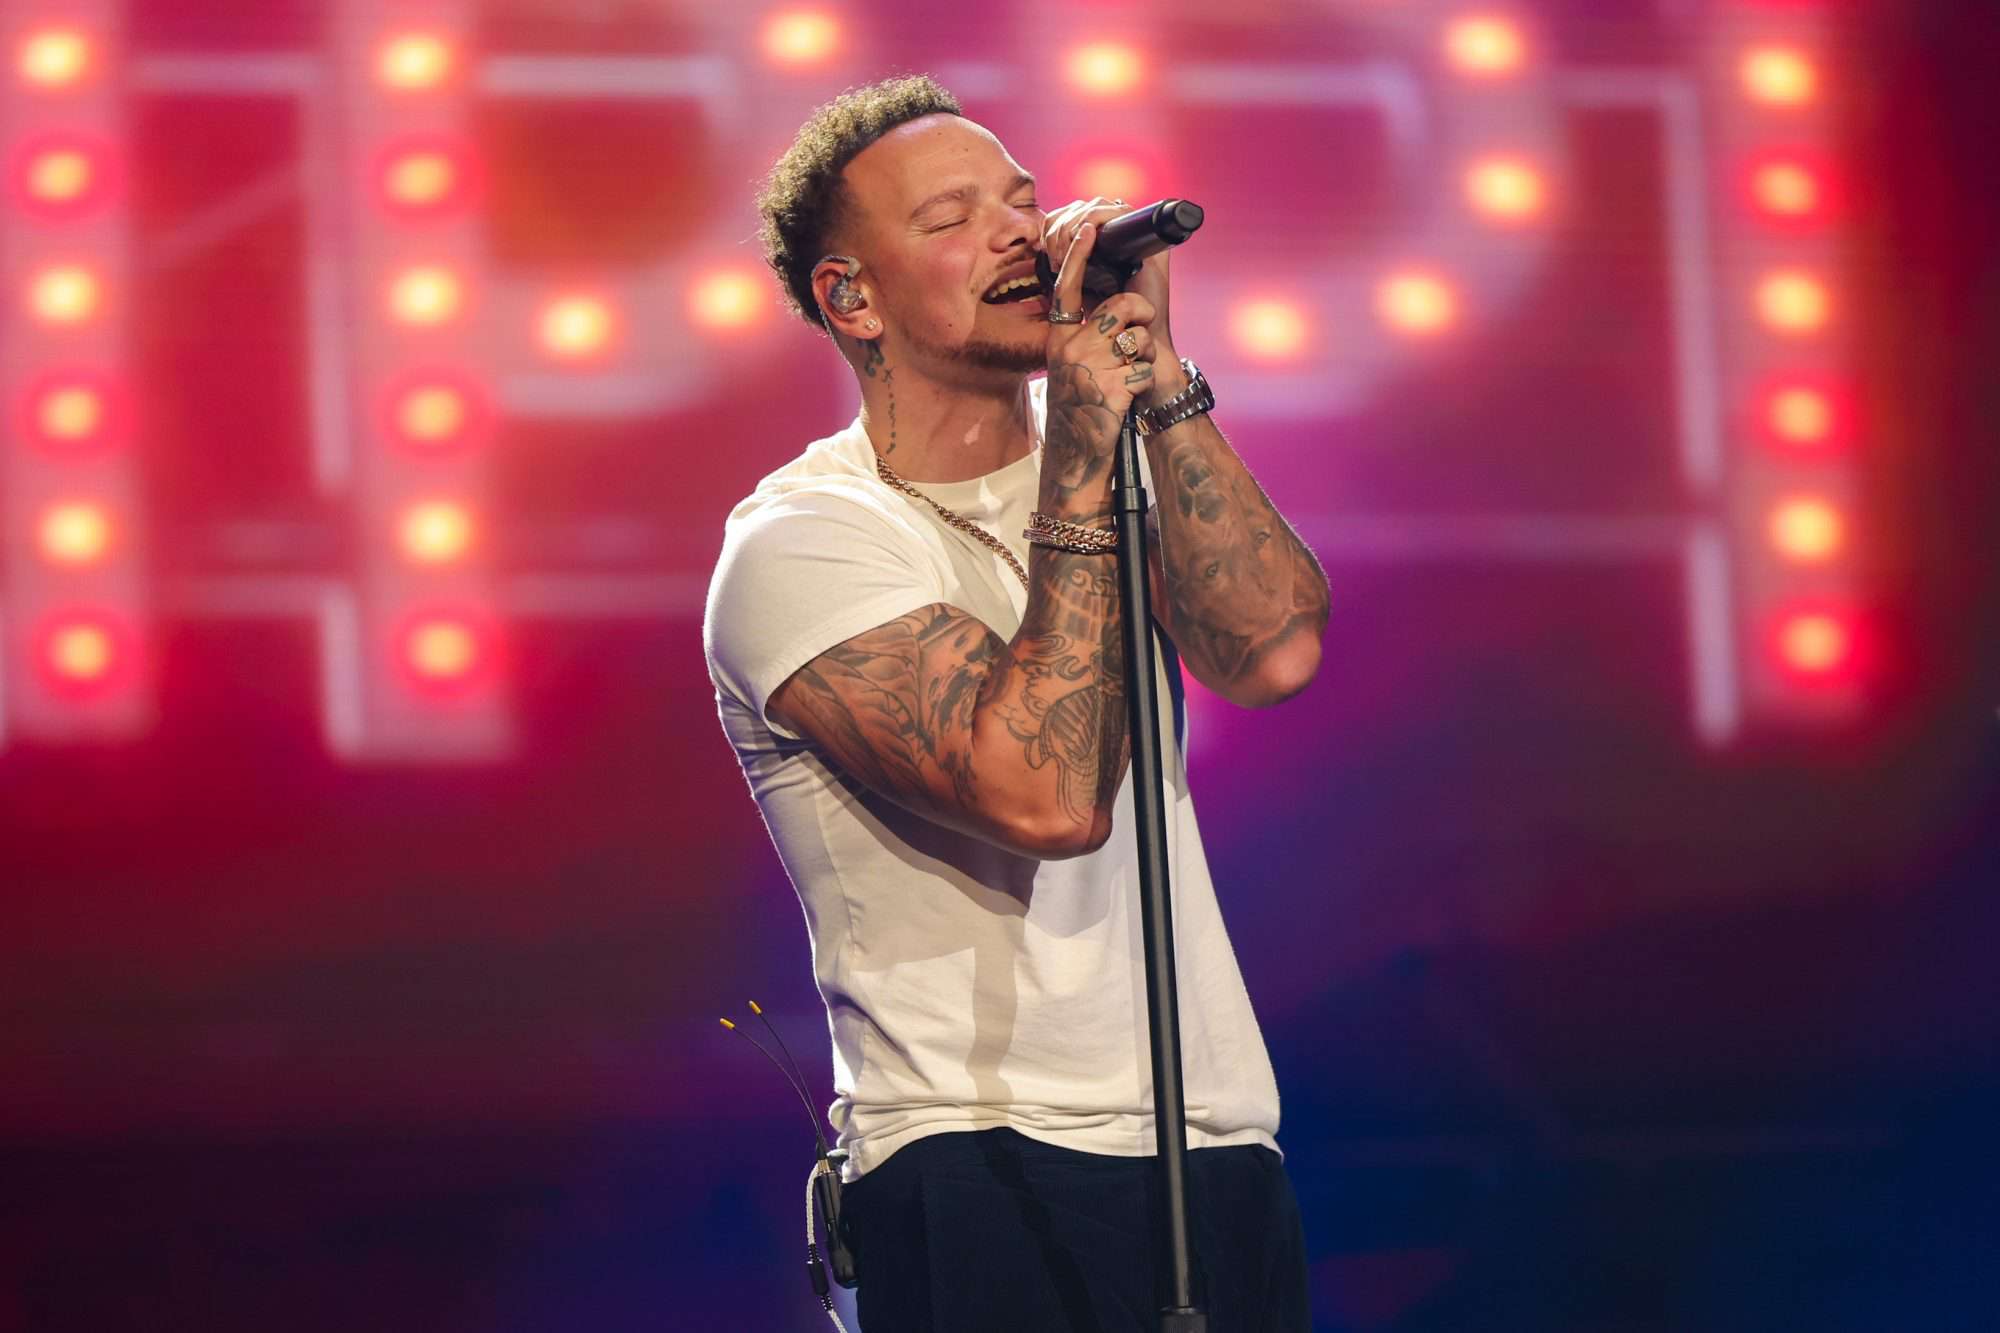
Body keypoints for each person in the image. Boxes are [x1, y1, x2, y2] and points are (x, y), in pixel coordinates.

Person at [703, 75, 1328, 1332]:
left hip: (1214, 1138)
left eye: (1023, 202)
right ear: (852, 298)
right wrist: (1086, 457)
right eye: (949, 217)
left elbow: (1272, 650)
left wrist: (1159, 387)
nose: (1018, 236)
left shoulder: (1116, 455)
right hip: (977, 1156)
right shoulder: (804, 543)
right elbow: (1043, 800)